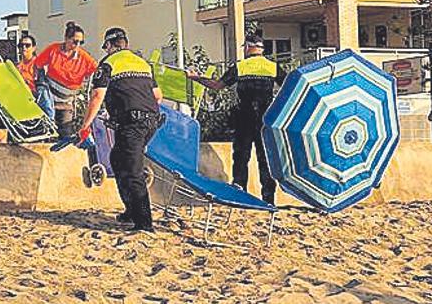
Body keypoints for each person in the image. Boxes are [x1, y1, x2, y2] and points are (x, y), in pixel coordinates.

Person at [79, 27, 163, 232]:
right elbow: (158, 95)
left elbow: (97, 96)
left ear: (109, 45)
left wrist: (85, 125)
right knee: (118, 159)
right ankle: (130, 211)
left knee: (133, 172)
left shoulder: (108, 64)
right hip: (150, 122)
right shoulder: (142, 63)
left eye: (105, 46)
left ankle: (144, 223)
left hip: (132, 124)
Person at [187, 34, 285, 205]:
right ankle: (268, 200)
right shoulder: (273, 67)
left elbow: (217, 86)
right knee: (265, 160)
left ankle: (240, 195)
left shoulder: (240, 66)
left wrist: (196, 77)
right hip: (266, 120)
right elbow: (289, 87)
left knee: (241, 158)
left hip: (244, 118)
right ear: (262, 49)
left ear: (247, 47)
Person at [35, 22, 98, 139]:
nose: (78, 45)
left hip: (66, 103)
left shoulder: (84, 57)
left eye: (81, 42)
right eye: (75, 41)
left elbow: (98, 70)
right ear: (66, 39)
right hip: (49, 99)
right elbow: (37, 65)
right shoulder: (53, 50)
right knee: (45, 132)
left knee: (65, 135)